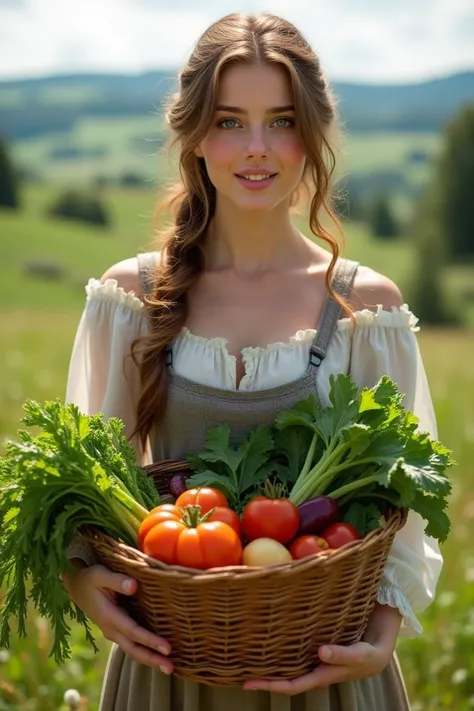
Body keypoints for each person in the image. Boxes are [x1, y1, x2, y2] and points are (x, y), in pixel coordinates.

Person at [62, 12, 443, 711]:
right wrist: (82, 581)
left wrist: (383, 634)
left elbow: (405, 506)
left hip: (328, 669)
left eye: (282, 120)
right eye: (231, 121)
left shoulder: (366, 311)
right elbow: (85, 488)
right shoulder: (131, 298)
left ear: (314, 133)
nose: (257, 149)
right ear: (194, 133)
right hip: (169, 669)